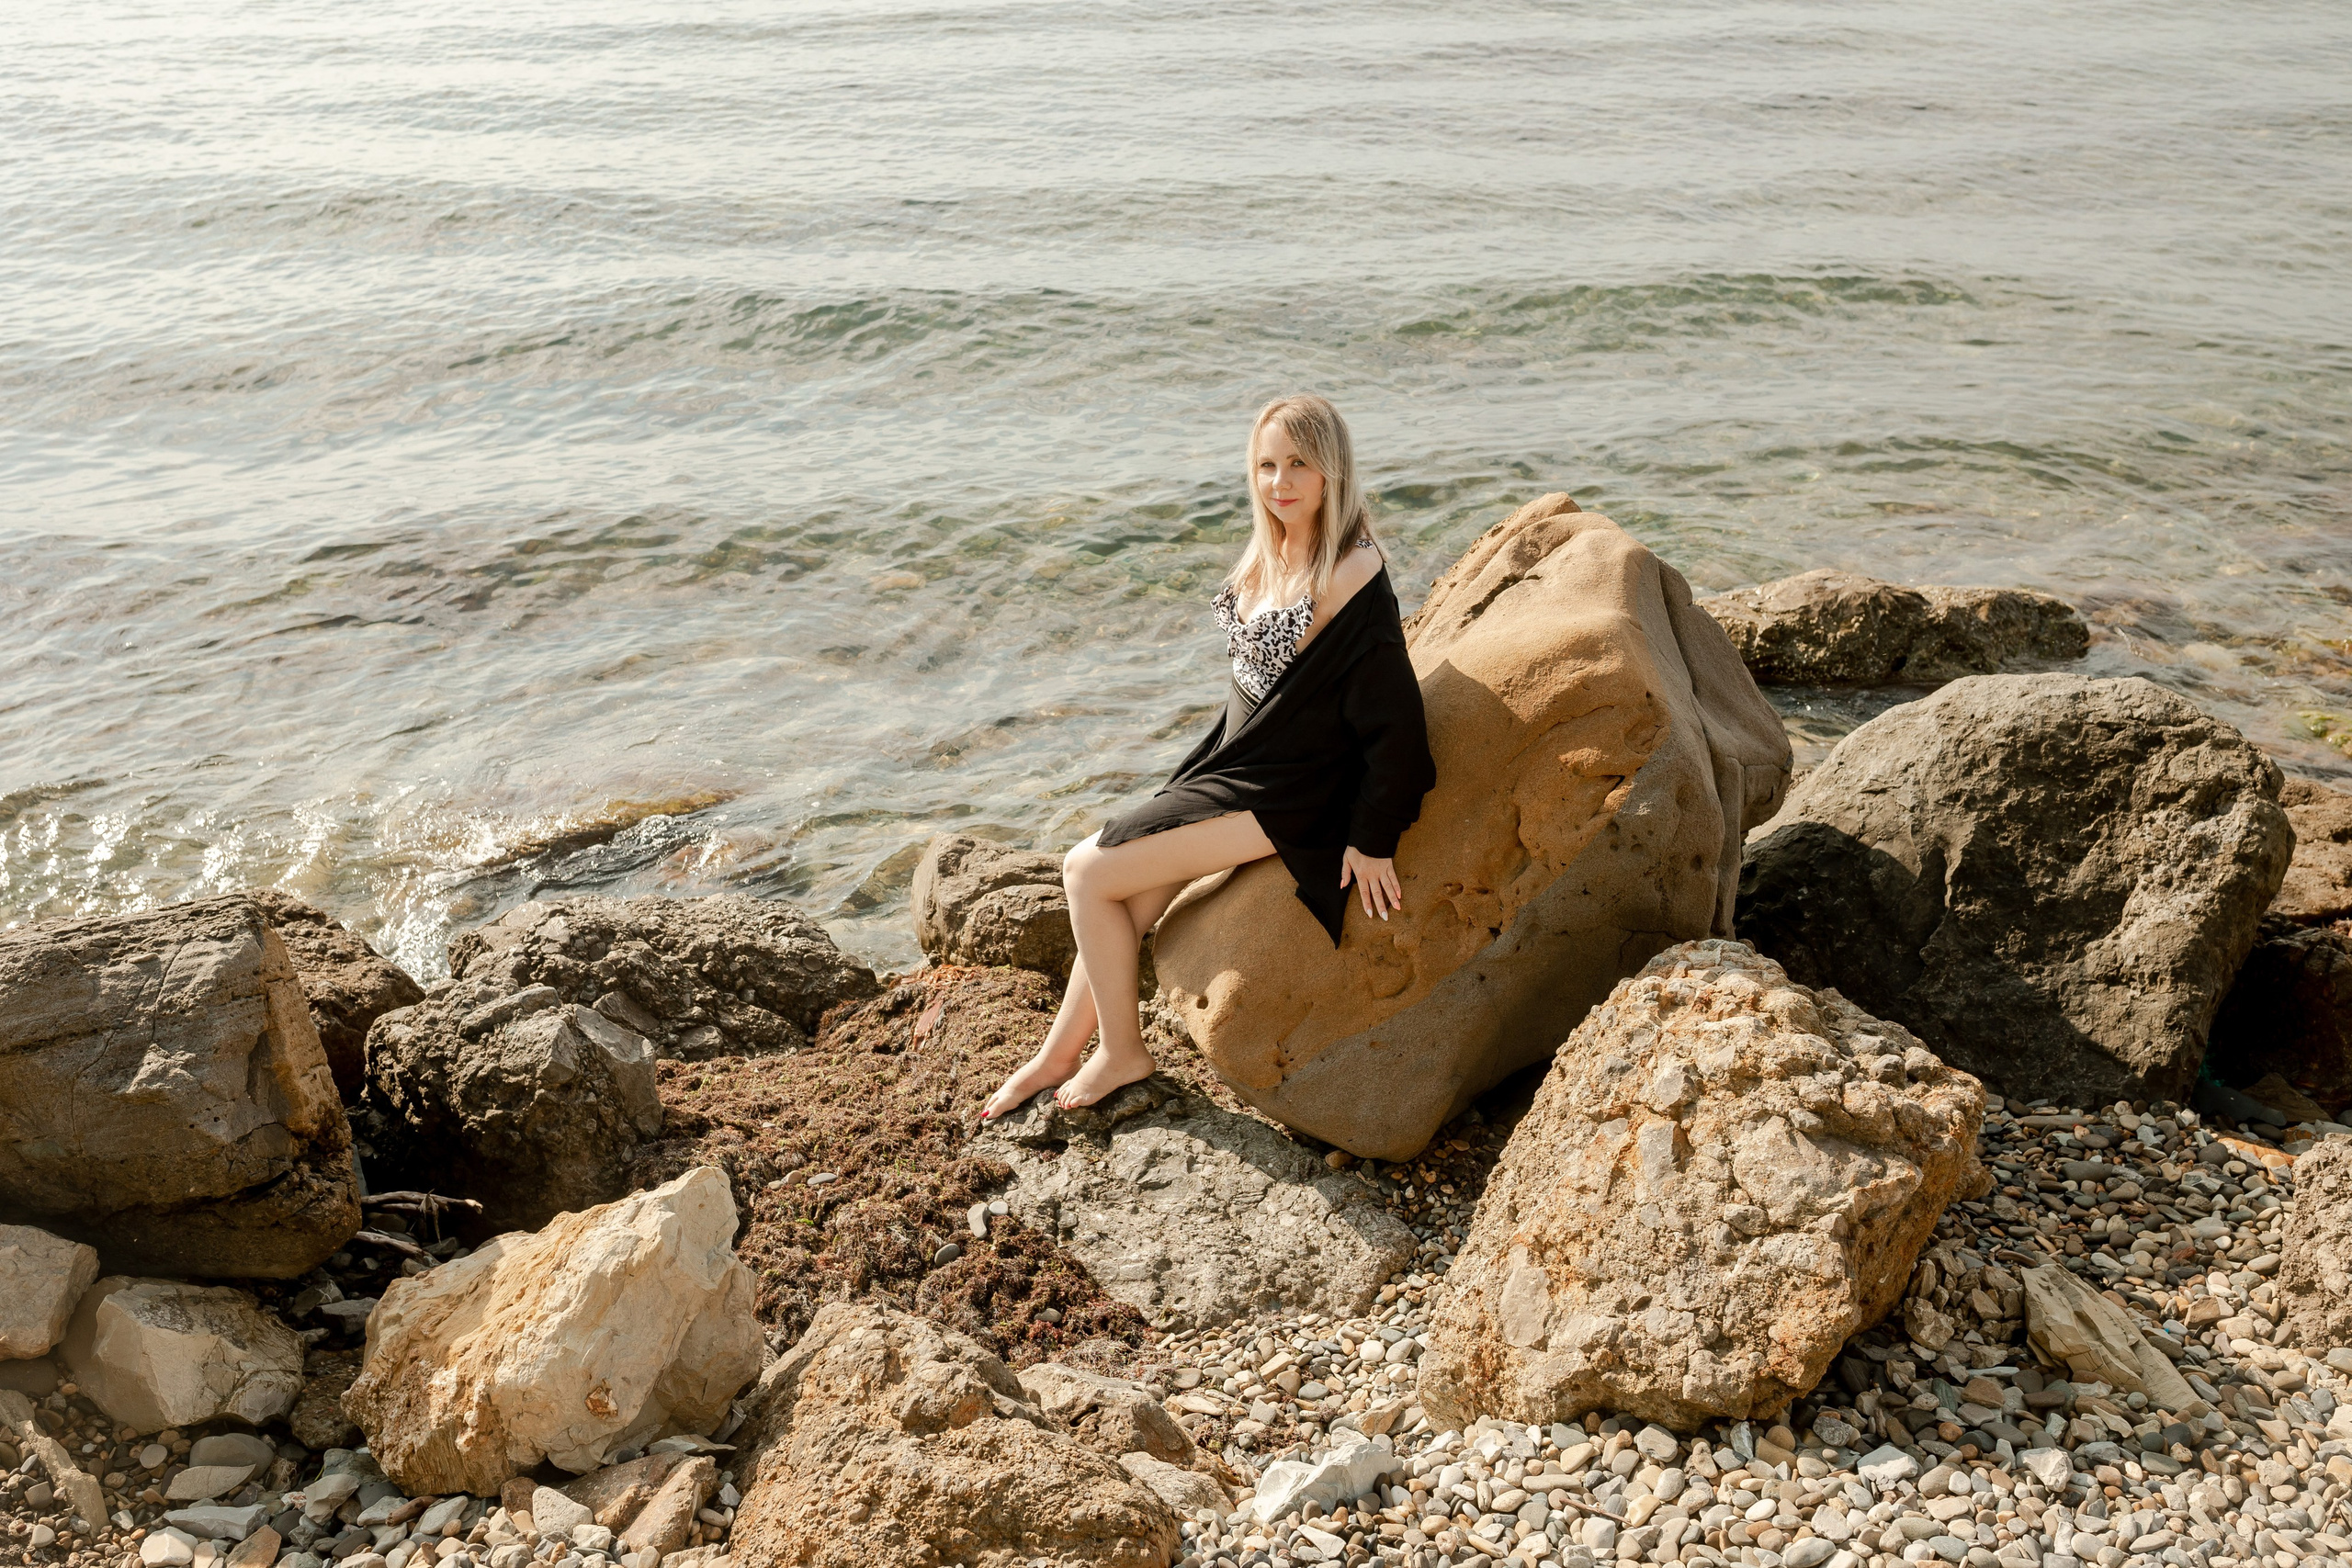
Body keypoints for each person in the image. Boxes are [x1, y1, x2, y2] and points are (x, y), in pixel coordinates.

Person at [981, 394, 1437, 1118]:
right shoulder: (1275, 544)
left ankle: (1123, 1052)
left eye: (1298, 464)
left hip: (1288, 790)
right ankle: (1058, 1053)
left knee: (1084, 872)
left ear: (1331, 471)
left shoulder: (1352, 571)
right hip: (1230, 759)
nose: (1280, 481)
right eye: (1266, 464)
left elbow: (1399, 722)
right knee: (1122, 896)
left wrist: (1372, 837)